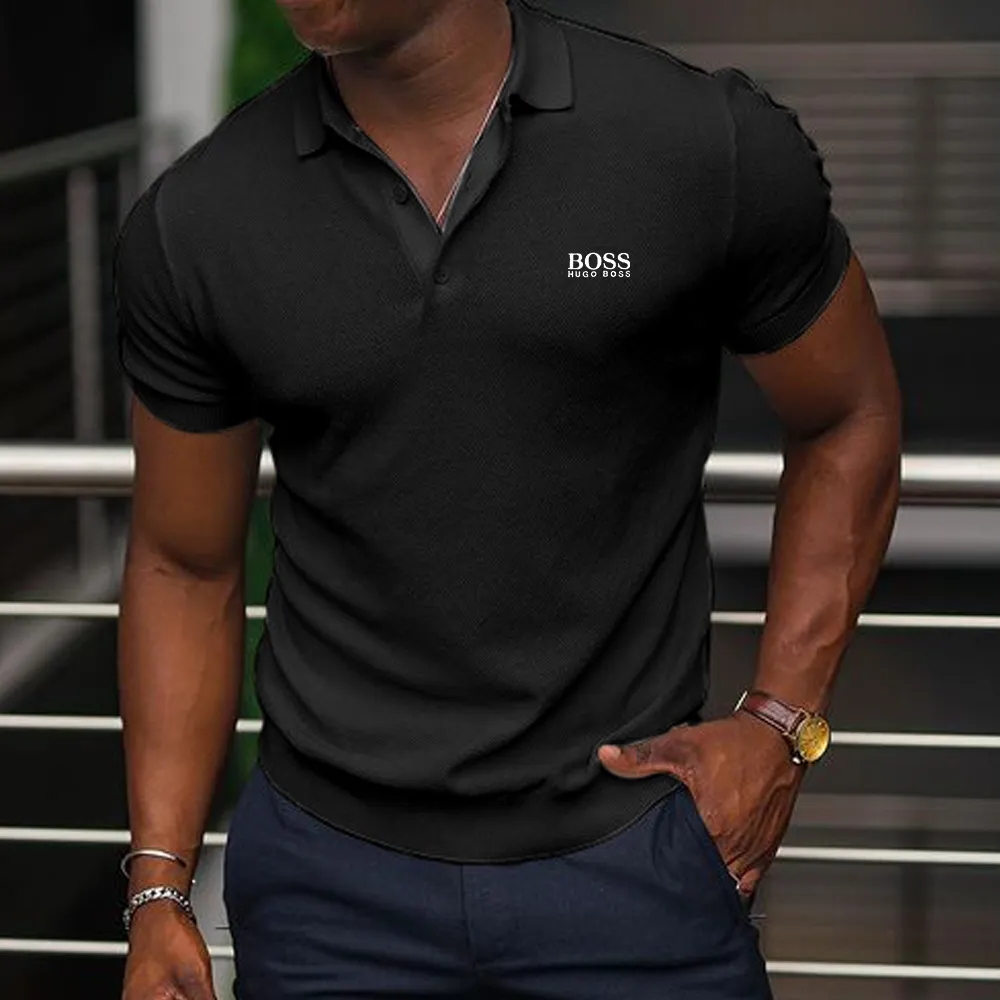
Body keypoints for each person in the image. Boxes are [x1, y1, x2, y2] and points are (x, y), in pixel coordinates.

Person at [114, 1, 902, 997]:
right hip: (328, 893)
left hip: (634, 863)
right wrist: (159, 885)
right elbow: (183, 562)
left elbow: (847, 415)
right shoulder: (201, 219)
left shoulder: (697, 143)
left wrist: (783, 723)